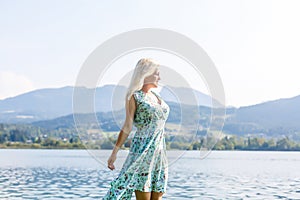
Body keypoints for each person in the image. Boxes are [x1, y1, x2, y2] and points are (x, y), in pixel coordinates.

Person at [103, 58, 170, 200]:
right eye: (157, 73)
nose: (160, 77)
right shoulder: (134, 96)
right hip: (142, 152)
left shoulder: (157, 96)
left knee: (157, 196)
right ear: (146, 74)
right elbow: (128, 126)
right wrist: (114, 153)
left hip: (159, 155)